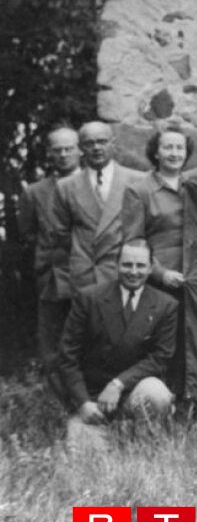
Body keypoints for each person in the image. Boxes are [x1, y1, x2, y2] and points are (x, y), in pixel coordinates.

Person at [58, 238, 178, 441]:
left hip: (133, 393)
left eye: (140, 265)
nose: (133, 272)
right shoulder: (89, 298)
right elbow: (67, 356)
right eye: (127, 264)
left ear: (150, 268)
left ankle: (144, 436)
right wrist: (83, 403)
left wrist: (118, 384)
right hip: (94, 399)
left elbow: (161, 358)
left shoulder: (166, 305)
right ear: (116, 265)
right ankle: (105, 429)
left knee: (157, 394)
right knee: (85, 463)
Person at [41, 120, 138, 296]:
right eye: (89, 143)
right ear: (80, 148)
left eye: (102, 141)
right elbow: (62, 235)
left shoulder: (136, 180)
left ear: (113, 143)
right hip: (85, 276)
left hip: (125, 272)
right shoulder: (66, 186)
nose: (96, 148)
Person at [20, 125, 80, 403]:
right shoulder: (34, 192)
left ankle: (89, 400)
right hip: (51, 281)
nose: (64, 154)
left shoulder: (91, 184)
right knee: (53, 345)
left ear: (79, 150)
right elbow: (28, 235)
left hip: (86, 278)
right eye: (58, 150)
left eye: (69, 148)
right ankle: (61, 403)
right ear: (49, 154)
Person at [125, 127, 191, 293]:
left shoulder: (196, 187)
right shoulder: (139, 191)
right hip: (159, 283)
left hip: (195, 279)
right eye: (168, 147)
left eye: (179, 148)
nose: (174, 153)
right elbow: (134, 241)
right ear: (156, 153)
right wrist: (161, 274)